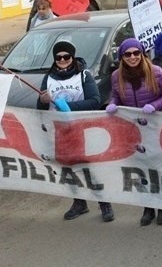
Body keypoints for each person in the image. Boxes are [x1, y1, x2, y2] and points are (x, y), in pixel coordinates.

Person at [37, 41, 114, 223]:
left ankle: (104, 203)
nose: (62, 60)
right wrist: (42, 100)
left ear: (72, 57)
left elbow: (95, 100)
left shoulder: (83, 75)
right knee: (69, 167)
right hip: (60, 130)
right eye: (58, 58)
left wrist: (67, 106)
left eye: (66, 57)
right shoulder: (48, 78)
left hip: (83, 128)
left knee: (89, 167)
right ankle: (79, 202)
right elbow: (40, 107)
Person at [105, 38, 162, 226]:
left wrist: (154, 105)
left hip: (155, 127)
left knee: (158, 167)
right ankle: (148, 207)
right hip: (133, 130)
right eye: (128, 54)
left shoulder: (155, 72)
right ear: (122, 57)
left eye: (136, 53)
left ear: (142, 54)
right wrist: (112, 104)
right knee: (141, 169)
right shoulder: (116, 76)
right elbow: (117, 96)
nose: (133, 57)